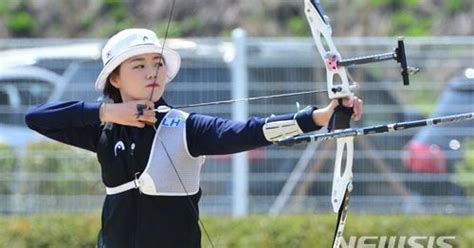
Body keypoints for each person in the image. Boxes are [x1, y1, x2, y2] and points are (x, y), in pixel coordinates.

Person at [25, 28, 363, 247]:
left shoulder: (184, 127)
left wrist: (318, 117)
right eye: (138, 66)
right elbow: (36, 117)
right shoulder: (103, 129)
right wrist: (105, 113)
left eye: (157, 63)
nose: (151, 72)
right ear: (115, 79)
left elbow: (244, 132)